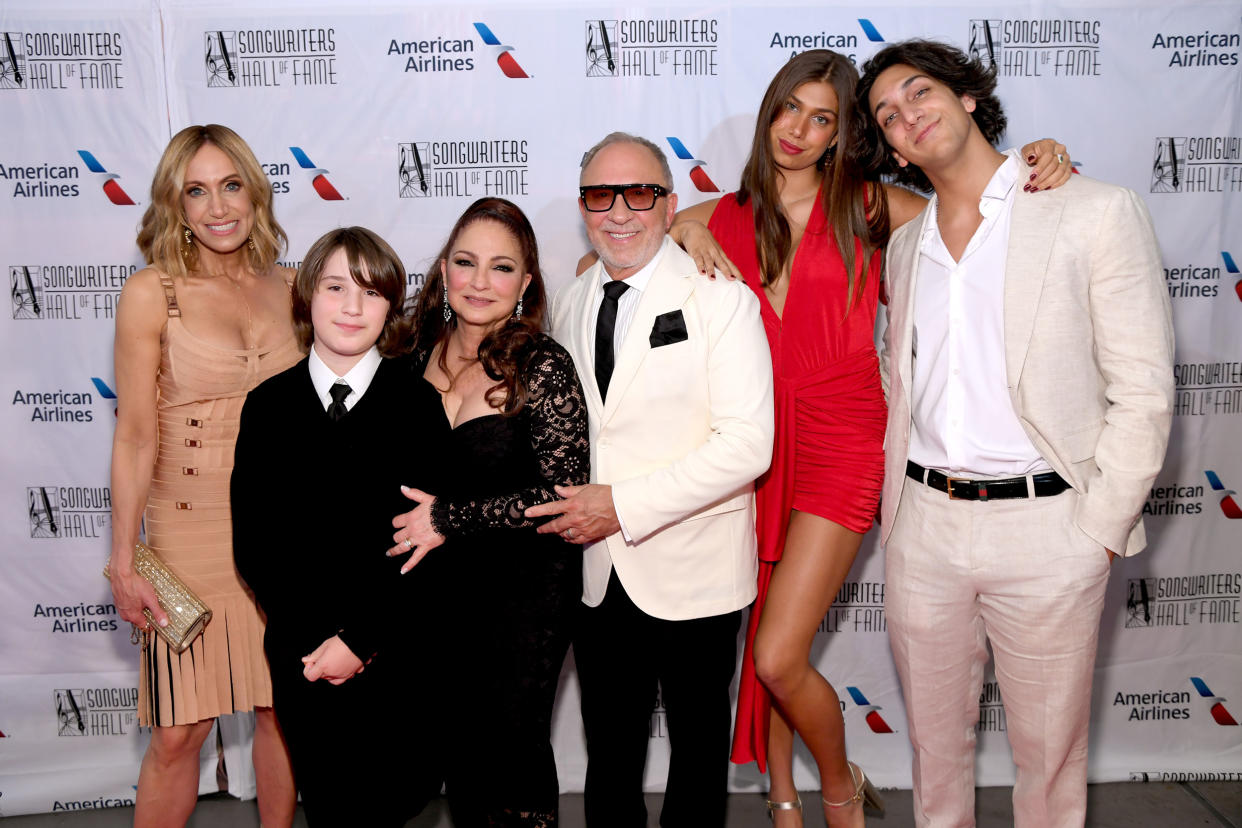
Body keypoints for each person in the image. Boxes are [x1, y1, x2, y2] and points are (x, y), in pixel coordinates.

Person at [665, 50, 1072, 828]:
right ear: (768, 110)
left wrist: (1040, 159)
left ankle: (841, 789)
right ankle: (784, 802)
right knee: (766, 643)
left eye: (823, 118)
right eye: (790, 107)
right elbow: (606, 261)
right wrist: (682, 225)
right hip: (749, 445)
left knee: (781, 653)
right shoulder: (715, 217)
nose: (799, 129)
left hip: (844, 438)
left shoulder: (873, 207)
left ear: (840, 135)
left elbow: (990, 207)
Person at [856, 39, 1174, 827]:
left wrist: (1096, 529)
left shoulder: (1092, 209)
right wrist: (896, 520)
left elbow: (1143, 388)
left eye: (920, 93)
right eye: (888, 116)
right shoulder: (904, 243)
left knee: (1050, 763)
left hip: (1050, 527)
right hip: (923, 528)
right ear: (889, 146)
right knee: (934, 759)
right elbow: (903, 380)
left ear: (967, 97)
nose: (907, 116)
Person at [525, 133, 775, 828]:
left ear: (669, 206)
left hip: (694, 569)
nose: (619, 212)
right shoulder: (571, 301)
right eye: (601, 196)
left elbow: (749, 445)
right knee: (610, 758)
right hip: (598, 575)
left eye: (639, 193)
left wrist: (622, 506)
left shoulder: (721, 298)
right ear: (583, 208)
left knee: (697, 764)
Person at [107, 124, 297, 828]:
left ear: (253, 192)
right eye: (196, 191)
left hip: (279, 529)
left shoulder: (294, 287)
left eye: (230, 185)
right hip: (187, 531)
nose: (218, 207)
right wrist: (124, 559)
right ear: (175, 206)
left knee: (283, 711)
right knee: (180, 730)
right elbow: (132, 435)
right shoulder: (152, 292)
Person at [230, 227, 447, 826]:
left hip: (396, 654)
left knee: (390, 804)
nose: (352, 307)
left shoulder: (417, 406)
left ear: (390, 307)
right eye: (334, 287)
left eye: (371, 292)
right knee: (328, 806)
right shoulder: (268, 406)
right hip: (303, 656)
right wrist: (318, 642)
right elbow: (256, 543)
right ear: (306, 297)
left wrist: (360, 642)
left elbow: (423, 544)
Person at [389, 197, 590, 827]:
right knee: (452, 757)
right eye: (466, 263)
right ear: (444, 270)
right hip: (429, 594)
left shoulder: (543, 366)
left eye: (501, 268)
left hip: (521, 593)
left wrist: (451, 519)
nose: (480, 282)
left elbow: (564, 495)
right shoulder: (408, 355)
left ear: (526, 282)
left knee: (508, 748)